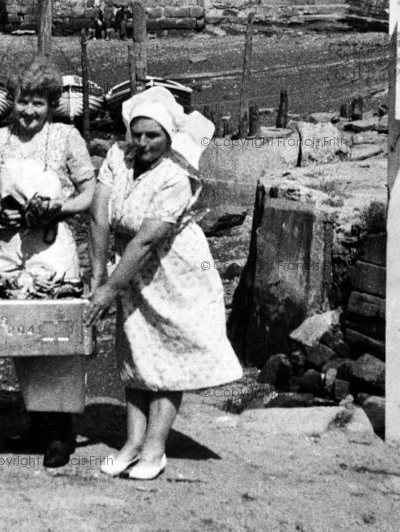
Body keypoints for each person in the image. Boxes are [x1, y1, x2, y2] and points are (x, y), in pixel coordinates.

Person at [86, 87, 243, 480]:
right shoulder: (116, 159)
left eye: (152, 135)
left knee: (167, 358)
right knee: (135, 355)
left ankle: (154, 449)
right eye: (137, 134)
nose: (143, 143)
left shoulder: (176, 176)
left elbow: (146, 240)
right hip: (131, 271)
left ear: (168, 137)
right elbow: (98, 218)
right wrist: (98, 276)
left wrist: (109, 290)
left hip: (175, 271)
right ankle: (132, 444)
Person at [0, 55, 96, 468]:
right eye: (22, 102)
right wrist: (1, 215)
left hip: (53, 248)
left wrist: (59, 209)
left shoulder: (66, 138)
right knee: (23, 334)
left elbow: (90, 193)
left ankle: (61, 432)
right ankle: (36, 420)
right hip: (10, 249)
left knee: (58, 338)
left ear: (52, 105)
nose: (29, 111)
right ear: (11, 101)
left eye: (39, 104)